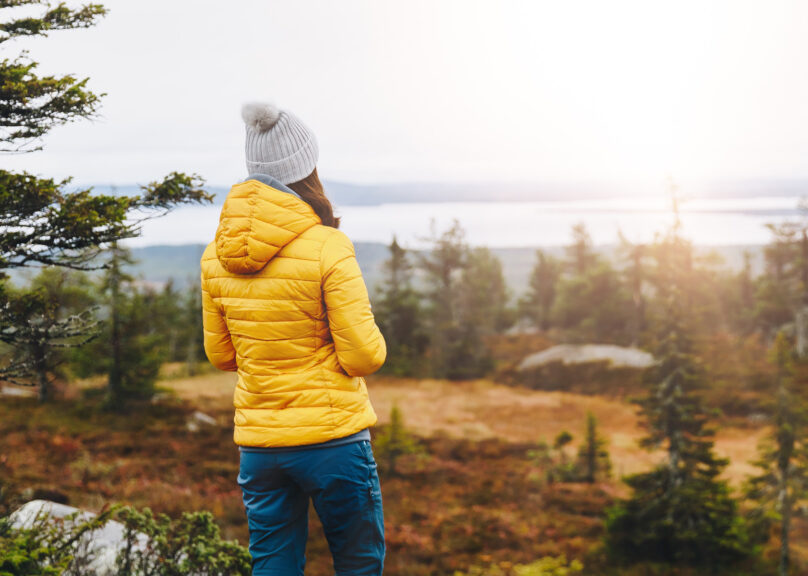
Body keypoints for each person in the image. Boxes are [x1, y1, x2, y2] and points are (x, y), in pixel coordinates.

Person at [200, 102, 387, 576]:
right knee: (359, 563)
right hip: (333, 441)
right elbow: (364, 355)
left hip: (260, 447)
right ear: (308, 167)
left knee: (273, 565)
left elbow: (221, 354)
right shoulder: (329, 245)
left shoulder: (214, 255)